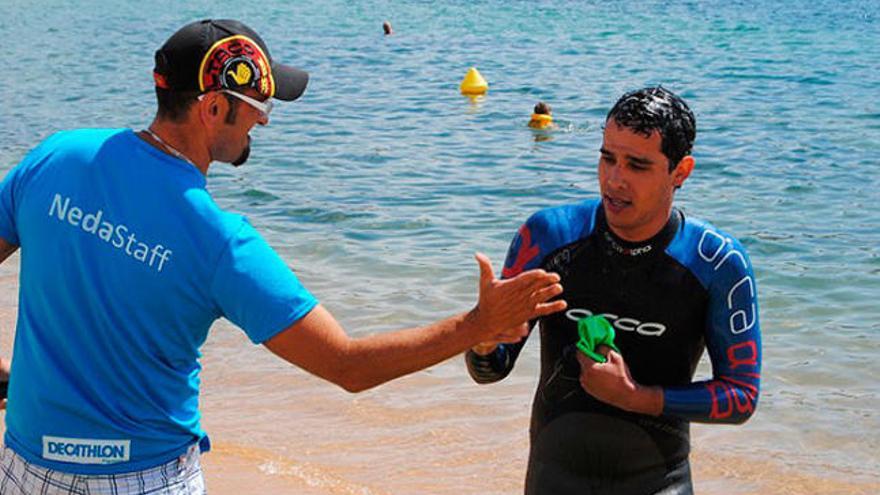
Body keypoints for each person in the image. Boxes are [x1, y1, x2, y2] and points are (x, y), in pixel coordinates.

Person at [0, 19, 567, 494]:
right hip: (142, 480)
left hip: (23, 470)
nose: (265, 119)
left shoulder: (55, 157)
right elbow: (347, 365)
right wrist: (477, 325)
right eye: (257, 104)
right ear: (213, 107)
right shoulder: (220, 241)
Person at [466, 87, 762, 494]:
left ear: (681, 171)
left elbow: (742, 396)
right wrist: (482, 337)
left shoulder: (715, 263)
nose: (615, 179)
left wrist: (639, 398)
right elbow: (491, 369)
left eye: (637, 165)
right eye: (608, 157)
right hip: (554, 480)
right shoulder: (550, 237)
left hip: (660, 481)